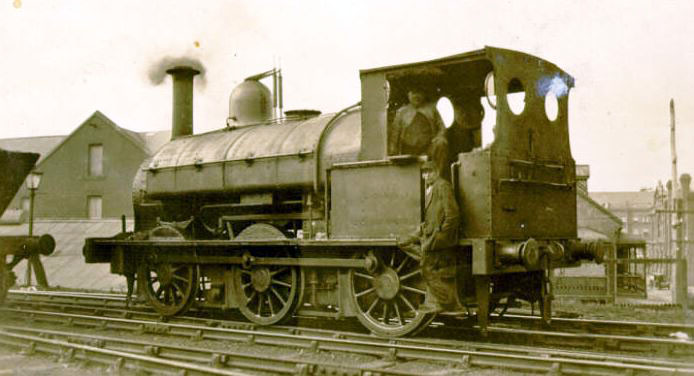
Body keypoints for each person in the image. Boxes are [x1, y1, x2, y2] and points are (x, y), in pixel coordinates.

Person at [398, 161, 462, 314]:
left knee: (427, 271)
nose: (426, 176)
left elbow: (452, 215)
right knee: (402, 241)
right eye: (424, 173)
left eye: (429, 172)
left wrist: (440, 235)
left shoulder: (442, 186)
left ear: (436, 172)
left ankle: (447, 303)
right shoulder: (430, 189)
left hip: (437, 237)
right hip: (427, 232)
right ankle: (423, 256)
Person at [388, 87, 448, 173]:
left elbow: (442, 126)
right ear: (408, 94)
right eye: (413, 93)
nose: (416, 96)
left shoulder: (432, 109)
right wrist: (392, 151)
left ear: (424, 94)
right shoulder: (401, 112)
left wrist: (440, 136)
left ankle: (438, 174)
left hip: (429, 148)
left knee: (442, 142)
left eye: (419, 93)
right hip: (408, 151)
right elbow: (395, 134)